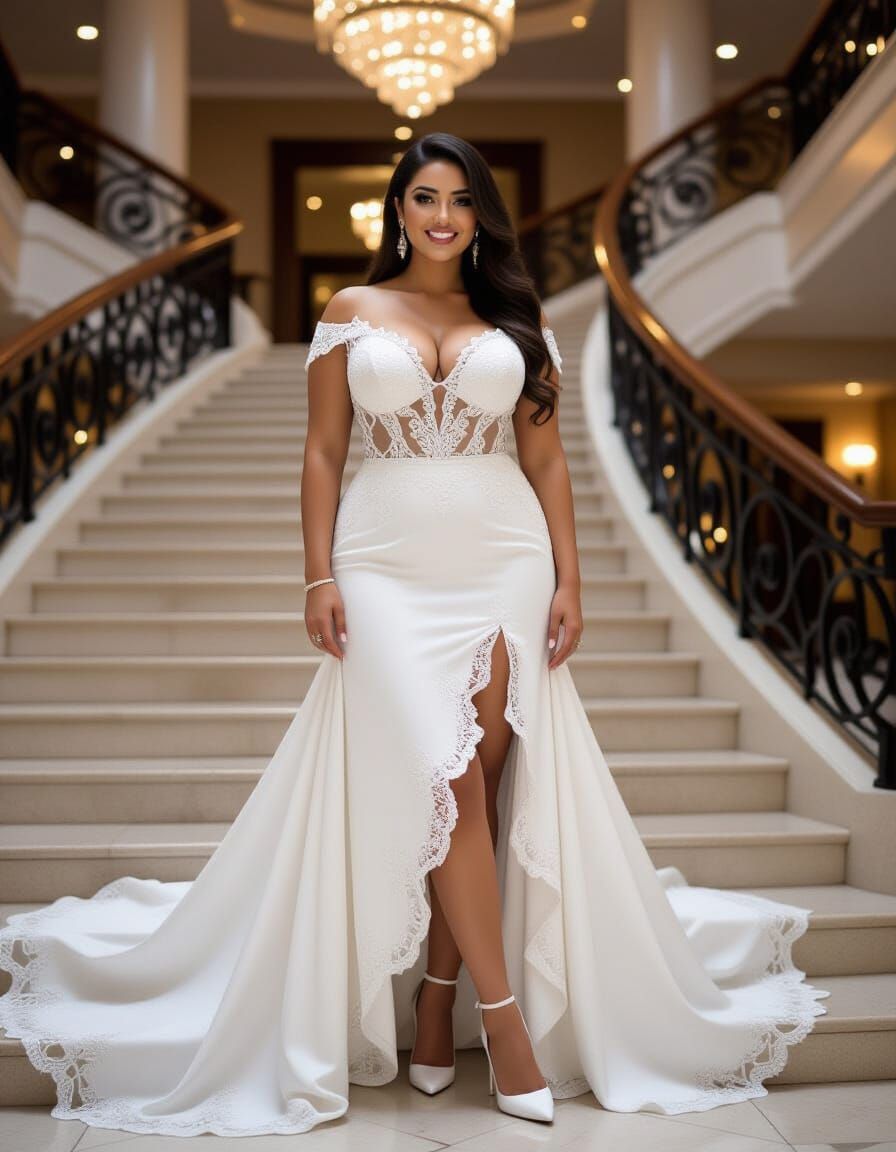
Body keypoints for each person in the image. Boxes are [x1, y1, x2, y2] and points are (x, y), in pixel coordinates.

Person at [0, 132, 829, 1139]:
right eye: (424, 197)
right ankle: (502, 1020)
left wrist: (567, 577)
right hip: (384, 560)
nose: (442, 215)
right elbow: (319, 452)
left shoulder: (515, 323)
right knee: (442, 780)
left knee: (474, 780)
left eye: (460, 201)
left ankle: (435, 997)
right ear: (396, 209)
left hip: (503, 558)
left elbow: (547, 461)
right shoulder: (350, 314)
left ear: (479, 216)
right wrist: (316, 573)